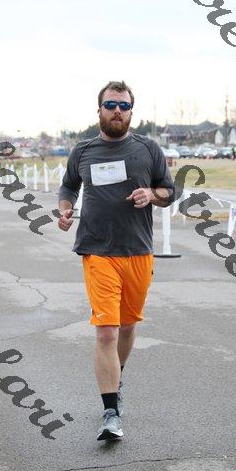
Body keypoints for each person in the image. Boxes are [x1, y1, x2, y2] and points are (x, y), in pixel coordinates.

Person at [57, 80, 175, 441]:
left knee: (126, 326)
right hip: (97, 250)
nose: (117, 111)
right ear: (99, 110)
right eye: (111, 105)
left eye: (124, 106)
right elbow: (68, 187)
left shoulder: (147, 149)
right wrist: (65, 209)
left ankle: (116, 376)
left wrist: (151, 194)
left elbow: (169, 191)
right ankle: (110, 412)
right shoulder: (83, 151)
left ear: (131, 112)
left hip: (138, 250)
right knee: (106, 329)